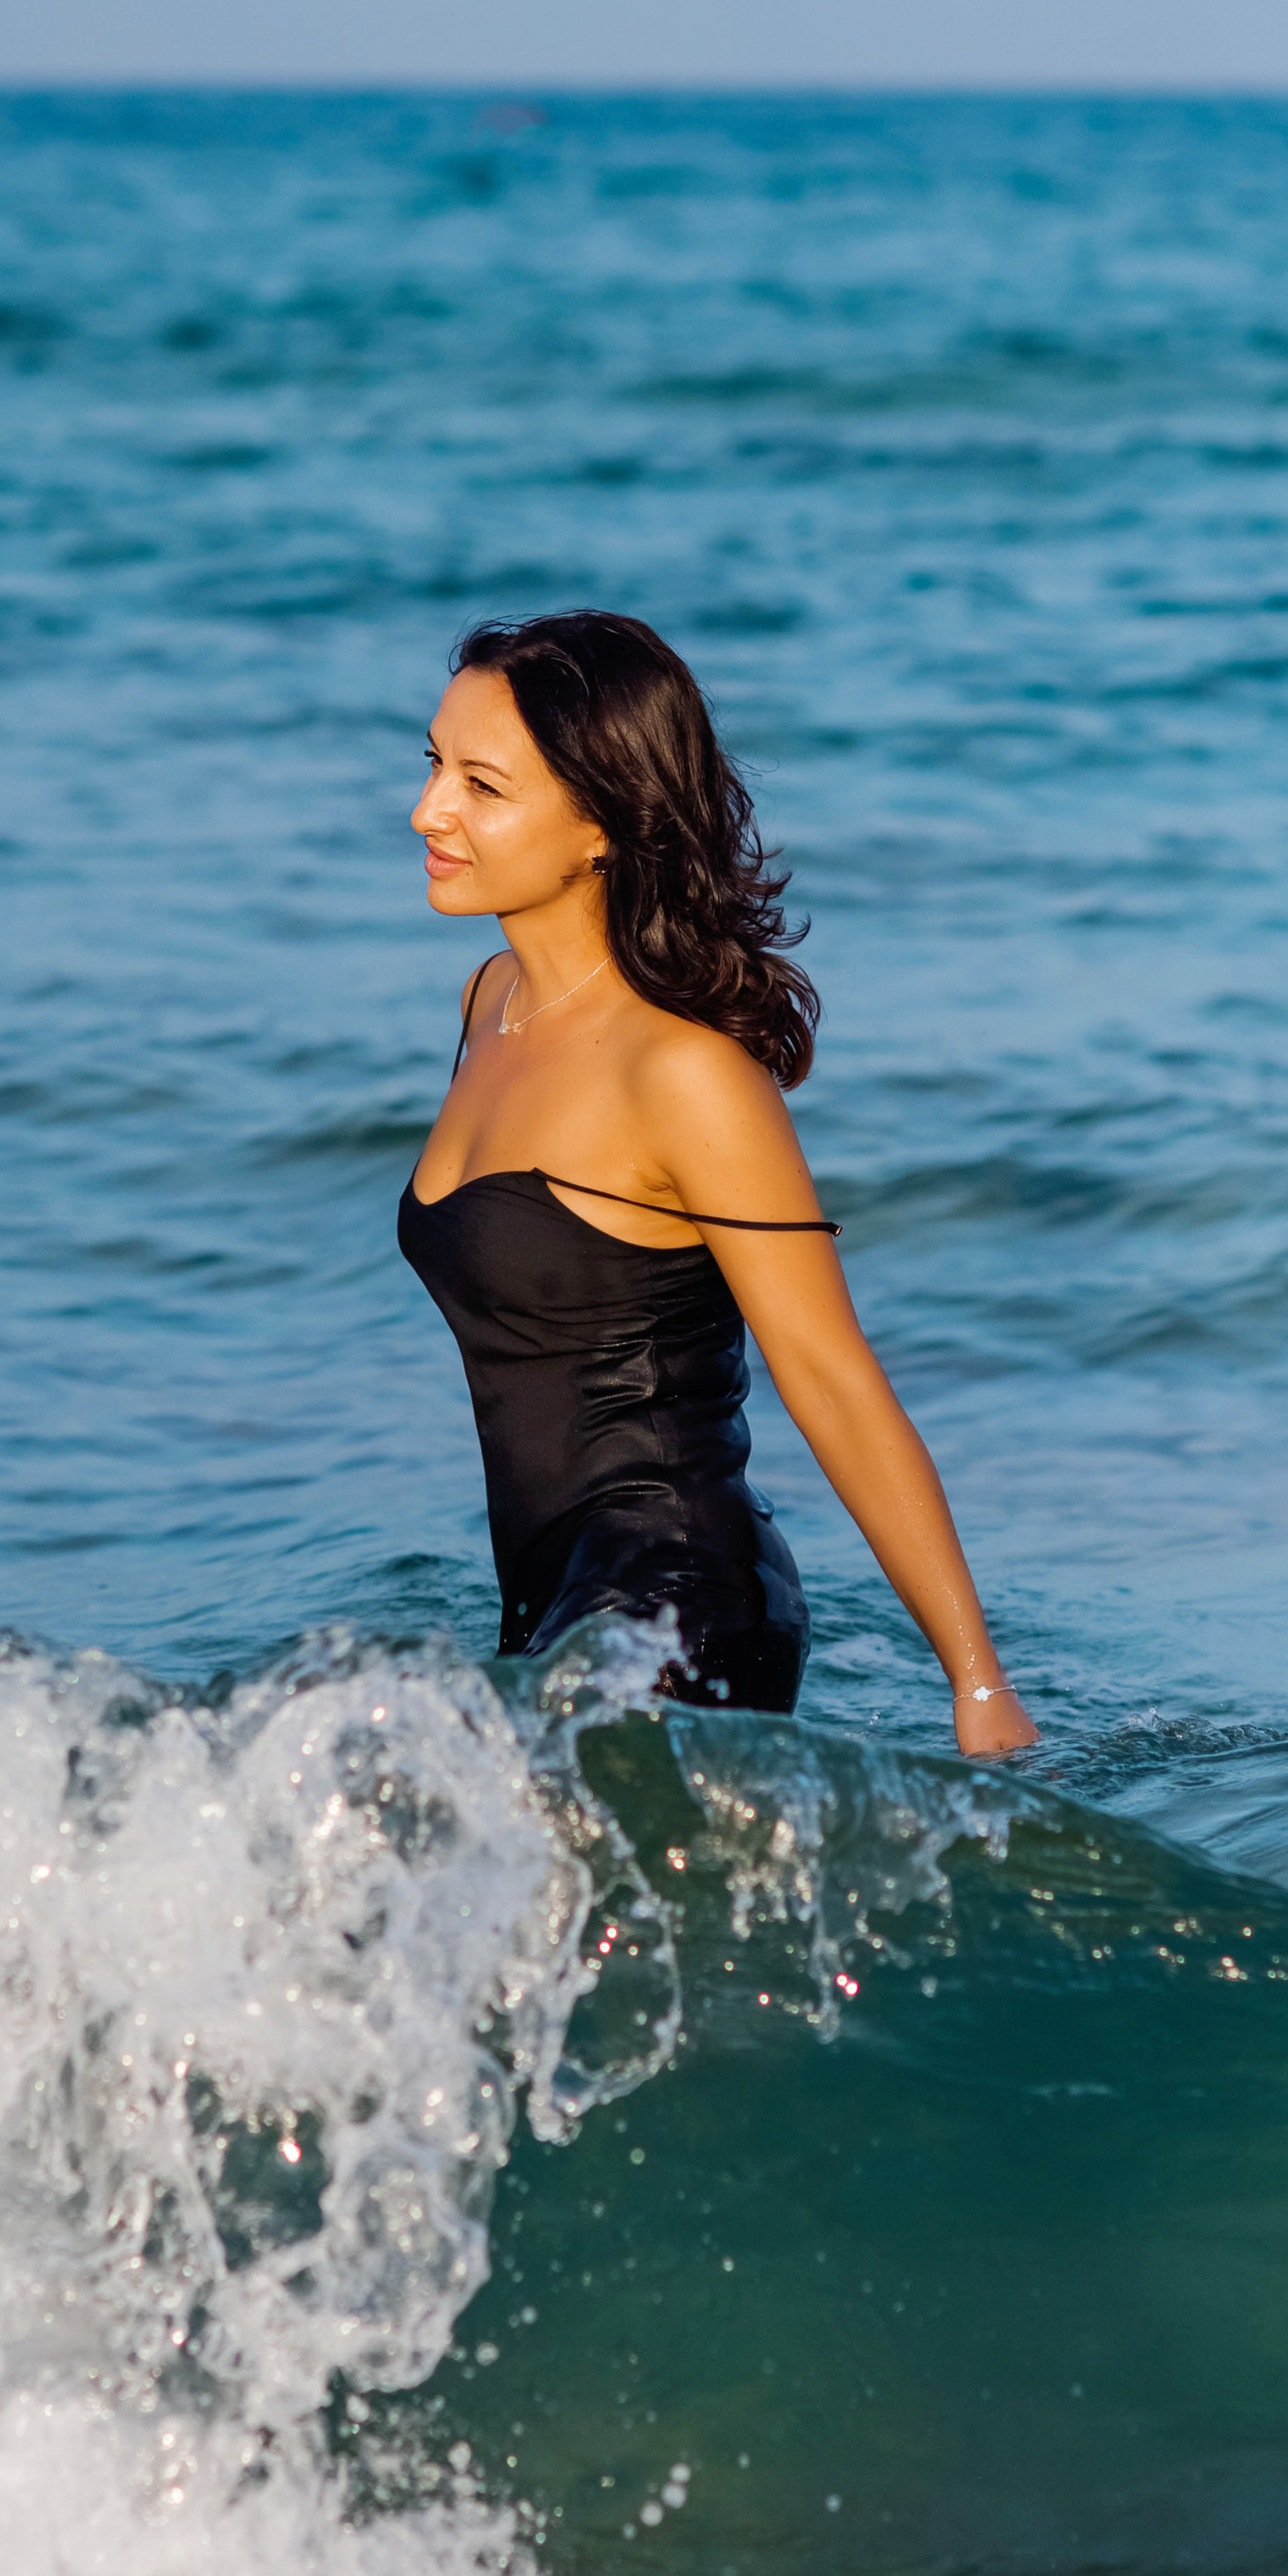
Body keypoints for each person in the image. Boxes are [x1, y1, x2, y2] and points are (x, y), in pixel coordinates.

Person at [399, 610, 1037, 1756]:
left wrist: (978, 1687)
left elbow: (831, 1379)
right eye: (432, 764)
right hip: (554, 1599)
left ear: (600, 824)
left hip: (680, 1606)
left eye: (480, 785)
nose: (429, 810)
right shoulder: (489, 1002)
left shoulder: (686, 1072)